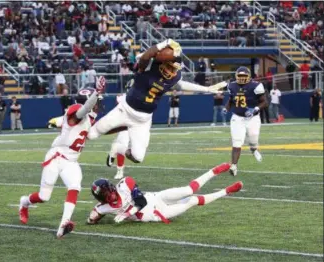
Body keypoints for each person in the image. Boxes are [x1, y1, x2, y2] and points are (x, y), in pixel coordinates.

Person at [87, 39, 227, 164]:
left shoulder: (174, 76)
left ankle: (125, 130)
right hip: (126, 109)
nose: (172, 71)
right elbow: (145, 56)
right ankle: (83, 122)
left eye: (174, 69)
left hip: (144, 119)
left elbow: (181, 85)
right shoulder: (150, 65)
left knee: (138, 157)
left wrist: (207, 89)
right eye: (170, 67)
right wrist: (164, 43)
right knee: (91, 134)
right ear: (164, 61)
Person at [19, 83, 105, 239]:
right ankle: (24, 202)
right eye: (96, 101)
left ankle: (63, 225)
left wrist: (55, 121)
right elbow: (82, 111)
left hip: (71, 161)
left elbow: (67, 120)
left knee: (75, 186)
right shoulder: (77, 111)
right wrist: (96, 92)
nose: (98, 104)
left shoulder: (88, 116)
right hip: (56, 157)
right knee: (44, 197)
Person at [86, 163, 243, 225]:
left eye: (109, 189)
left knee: (188, 190)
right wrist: (92, 219)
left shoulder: (125, 184)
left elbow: (140, 202)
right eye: (105, 193)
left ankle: (213, 171)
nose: (110, 194)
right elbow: (93, 217)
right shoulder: (103, 207)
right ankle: (226, 191)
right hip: (157, 214)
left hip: (155, 198)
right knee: (192, 200)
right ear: (101, 198)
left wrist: (128, 212)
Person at [223, 67, 268, 176]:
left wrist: (256, 109)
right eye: (240, 76)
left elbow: (264, 102)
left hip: (253, 118)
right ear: (236, 76)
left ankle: (254, 149)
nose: (242, 79)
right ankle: (234, 165)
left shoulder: (256, 86)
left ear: (249, 76)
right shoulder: (232, 86)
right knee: (237, 142)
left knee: (253, 139)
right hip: (237, 118)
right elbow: (231, 100)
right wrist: (227, 108)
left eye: (244, 76)